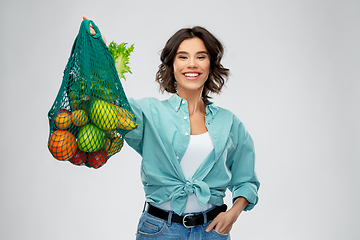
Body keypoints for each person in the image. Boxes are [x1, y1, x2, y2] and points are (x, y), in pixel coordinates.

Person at [83, 16, 260, 240]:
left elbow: (246, 180)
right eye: (183, 56)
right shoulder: (148, 112)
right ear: (172, 65)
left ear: (211, 64)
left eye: (201, 57)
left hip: (212, 232)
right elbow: (110, 106)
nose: (192, 64)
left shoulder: (230, 123)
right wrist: (100, 51)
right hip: (160, 231)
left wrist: (233, 214)